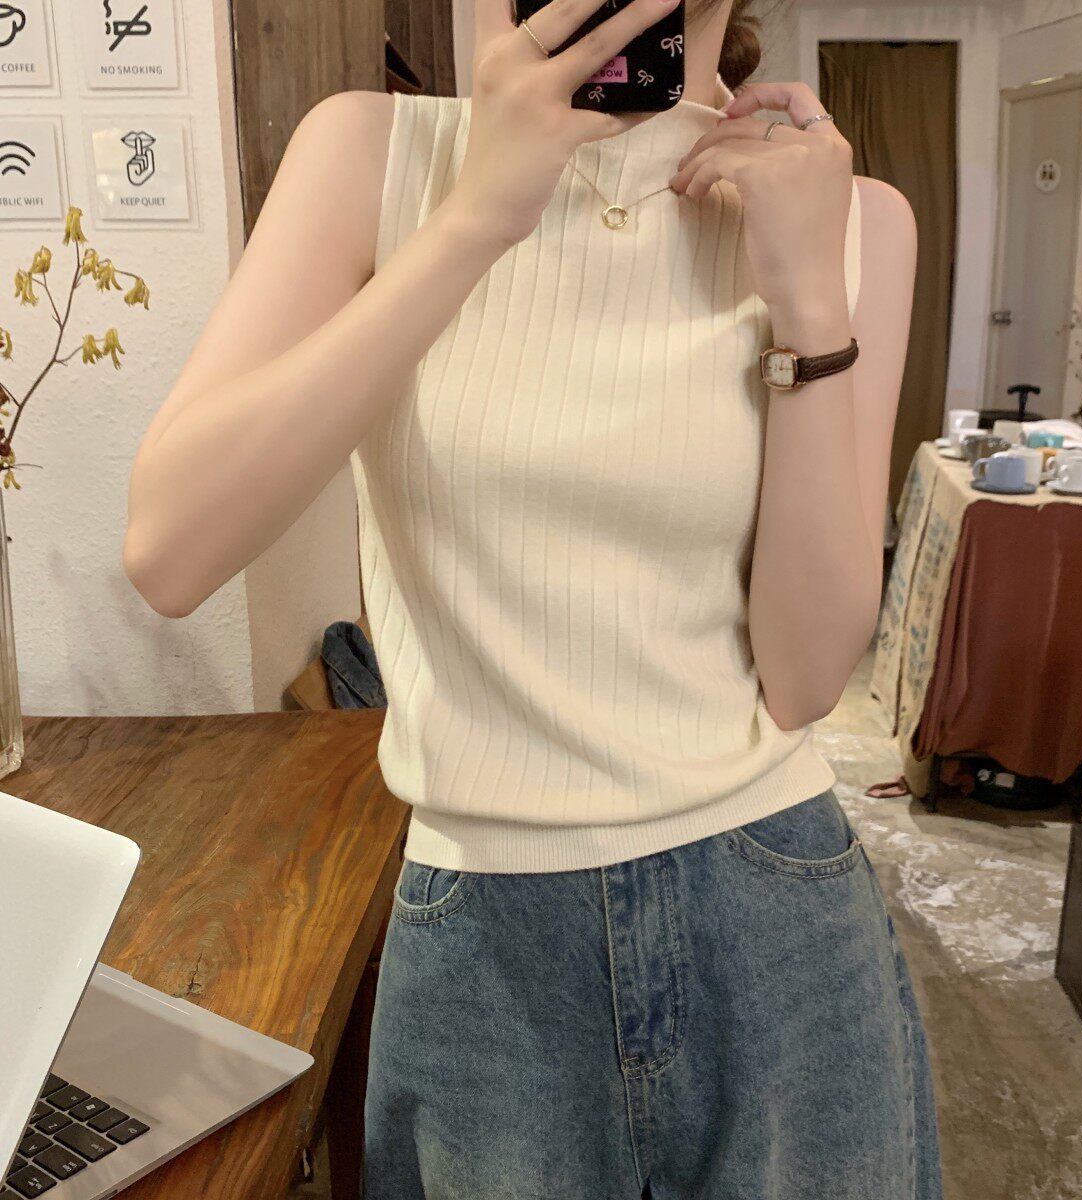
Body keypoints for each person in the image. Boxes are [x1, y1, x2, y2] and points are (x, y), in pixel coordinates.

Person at [123, 0, 936, 1194]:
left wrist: (810, 302)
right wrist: (476, 218)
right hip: (483, 939)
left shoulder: (854, 216)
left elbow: (807, 677)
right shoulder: (369, 155)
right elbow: (172, 552)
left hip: (775, 923)